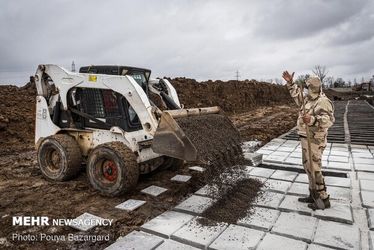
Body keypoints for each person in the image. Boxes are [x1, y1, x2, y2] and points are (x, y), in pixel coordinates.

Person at [282, 71, 335, 210]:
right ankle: (313, 194)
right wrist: (290, 83)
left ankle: (323, 199)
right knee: (308, 167)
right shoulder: (307, 99)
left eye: (308, 87)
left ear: (313, 87)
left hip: (315, 141)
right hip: (306, 139)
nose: (305, 89)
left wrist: (312, 120)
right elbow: (297, 96)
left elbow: (329, 120)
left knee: (315, 168)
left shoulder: (322, 101)